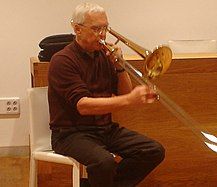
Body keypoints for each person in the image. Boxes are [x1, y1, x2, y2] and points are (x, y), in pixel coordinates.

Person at [48, 2, 165, 187]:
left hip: (105, 128)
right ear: (77, 29)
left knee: (153, 150)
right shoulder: (62, 60)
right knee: (104, 162)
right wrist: (129, 100)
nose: (102, 35)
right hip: (71, 134)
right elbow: (83, 106)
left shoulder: (103, 56)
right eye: (96, 29)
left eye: (105, 28)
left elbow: (124, 91)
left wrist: (120, 66)